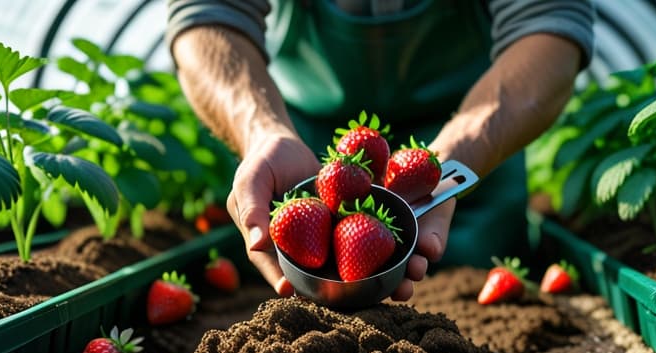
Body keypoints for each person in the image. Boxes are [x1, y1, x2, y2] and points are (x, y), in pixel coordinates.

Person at [167, 0, 594, 302]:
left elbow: (551, 23)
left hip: (470, 152)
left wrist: (450, 160)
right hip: (302, 148)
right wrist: (261, 132)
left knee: (478, 304)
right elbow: (206, 14)